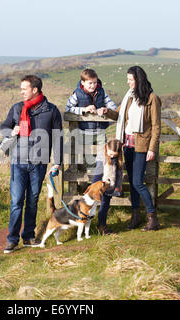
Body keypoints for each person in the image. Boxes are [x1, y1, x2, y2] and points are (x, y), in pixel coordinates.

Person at [0, 75, 63, 253]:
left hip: (39, 163)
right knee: (17, 201)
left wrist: (57, 163)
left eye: (24, 89)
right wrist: (12, 131)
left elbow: (58, 138)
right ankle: (12, 240)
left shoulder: (51, 110)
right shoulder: (17, 108)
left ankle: (28, 237)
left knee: (33, 201)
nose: (21, 92)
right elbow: (3, 127)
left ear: (35, 90)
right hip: (18, 162)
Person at [106, 66, 161, 231]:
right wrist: (105, 111)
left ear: (139, 80)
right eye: (128, 79)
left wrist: (152, 148)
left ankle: (153, 218)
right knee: (132, 180)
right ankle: (136, 216)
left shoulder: (152, 98)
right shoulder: (129, 97)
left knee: (138, 182)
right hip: (127, 144)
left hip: (142, 145)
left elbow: (156, 126)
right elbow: (118, 116)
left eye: (130, 79)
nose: (128, 82)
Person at [65, 68, 117, 235]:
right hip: (85, 133)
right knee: (87, 163)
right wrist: (83, 110)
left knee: (102, 160)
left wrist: (105, 111)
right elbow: (68, 108)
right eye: (90, 83)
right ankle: (89, 193)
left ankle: (99, 184)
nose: (93, 86)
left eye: (95, 82)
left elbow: (112, 106)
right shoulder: (77, 93)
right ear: (83, 83)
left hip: (100, 131)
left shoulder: (101, 91)